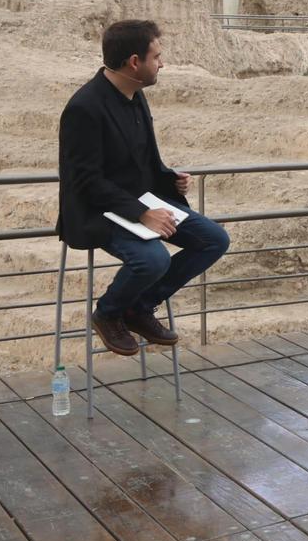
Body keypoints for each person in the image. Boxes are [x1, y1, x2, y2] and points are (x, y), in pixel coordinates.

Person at [57, 20, 230, 356]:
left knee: (214, 239)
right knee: (152, 261)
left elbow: (143, 161)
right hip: (99, 211)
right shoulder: (84, 108)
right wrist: (142, 214)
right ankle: (108, 313)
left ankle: (138, 307)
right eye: (157, 57)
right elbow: (86, 181)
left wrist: (171, 180)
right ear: (134, 62)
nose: (162, 64)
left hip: (143, 202)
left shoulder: (135, 95)